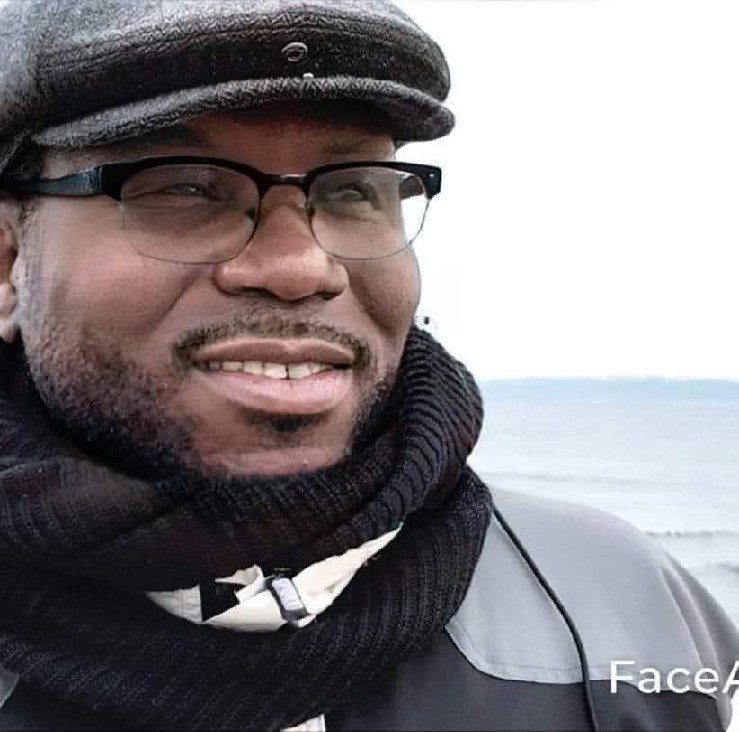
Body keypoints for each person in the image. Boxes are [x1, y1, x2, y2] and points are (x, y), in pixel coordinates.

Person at [0, 1, 736, 730]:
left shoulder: (628, 608)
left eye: (351, 190)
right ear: (8, 263)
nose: (300, 267)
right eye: (184, 187)